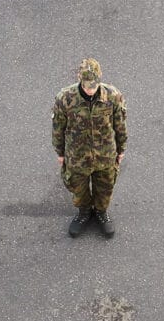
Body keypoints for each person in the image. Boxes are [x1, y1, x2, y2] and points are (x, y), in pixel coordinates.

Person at [52, 58, 127, 238]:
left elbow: (120, 125)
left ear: (100, 79)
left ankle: (101, 212)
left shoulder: (113, 96)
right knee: (79, 188)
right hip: (77, 156)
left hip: (105, 154)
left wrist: (121, 149)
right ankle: (84, 212)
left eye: (93, 85)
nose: (90, 89)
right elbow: (58, 128)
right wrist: (60, 152)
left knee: (105, 186)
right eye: (87, 85)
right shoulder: (65, 98)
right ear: (79, 78)